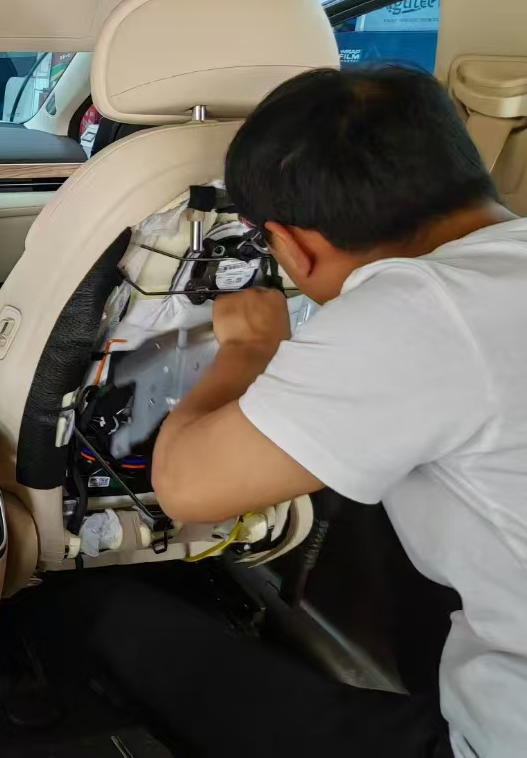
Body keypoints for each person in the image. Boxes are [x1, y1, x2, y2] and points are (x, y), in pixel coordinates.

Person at [114, 66, 527, 757]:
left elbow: (184, 487)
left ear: (295, 244)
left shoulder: (420, 310)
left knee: (108, 621)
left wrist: (248, 349)